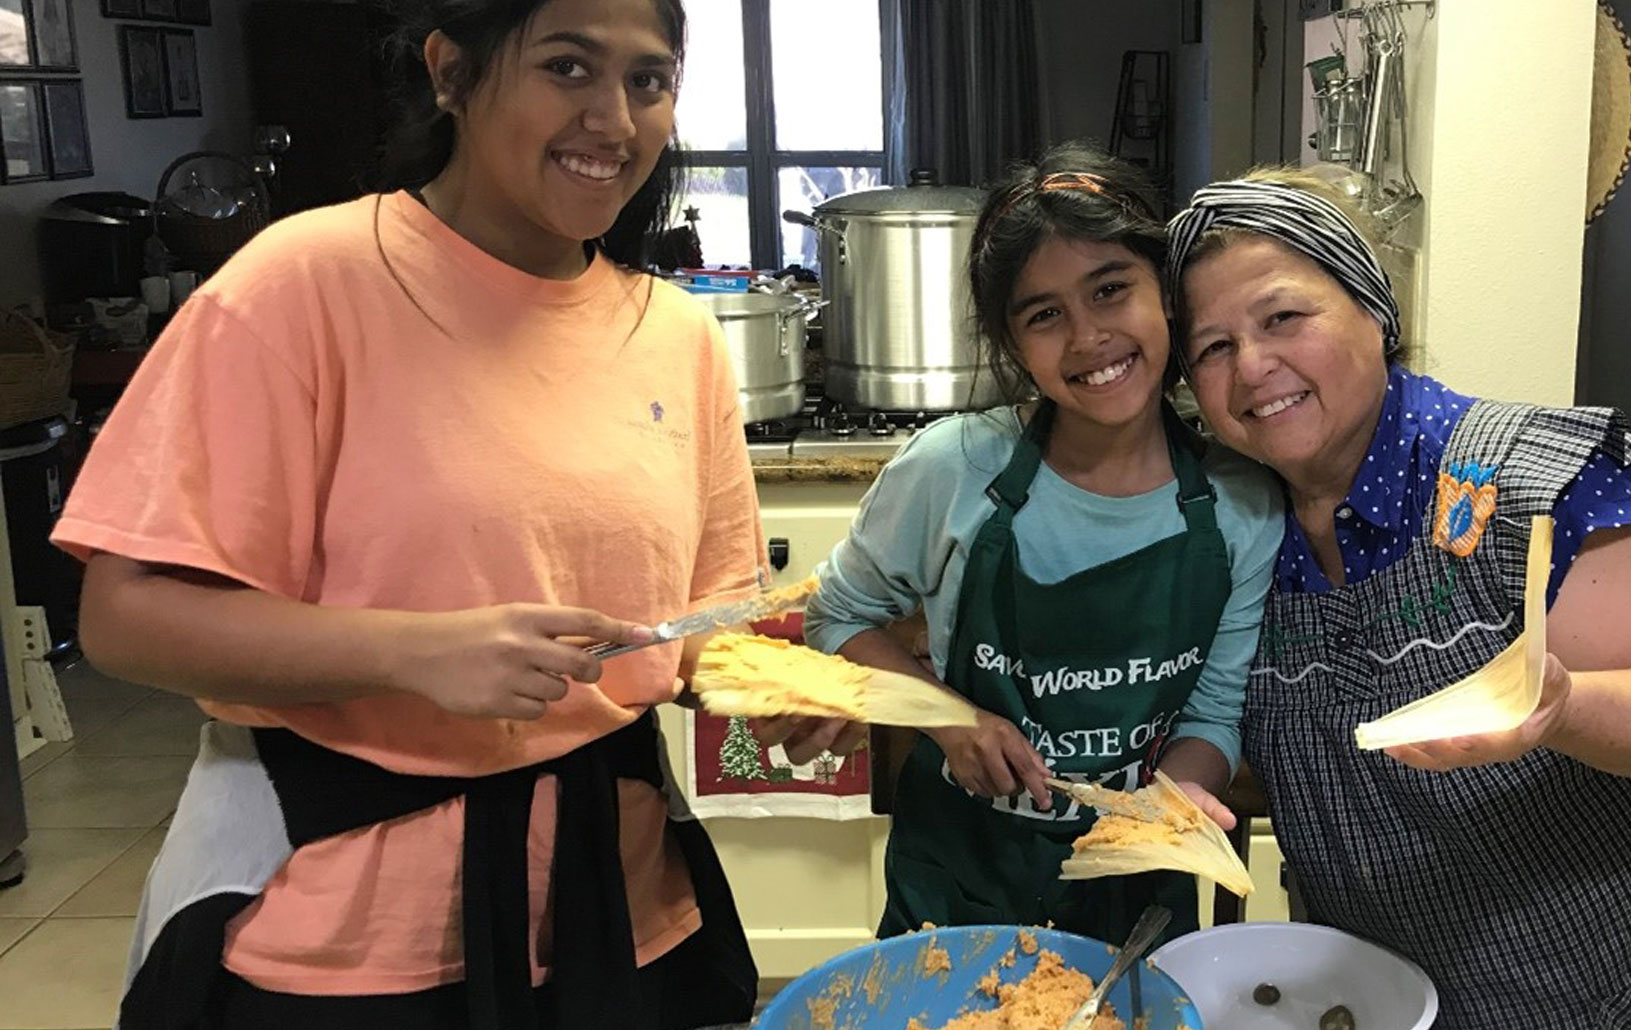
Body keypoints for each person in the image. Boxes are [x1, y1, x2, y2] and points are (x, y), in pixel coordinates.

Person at [53, 0, 766, 1025]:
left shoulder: (676, 336)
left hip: (618, 911)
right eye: (567, 67)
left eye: (647, 81)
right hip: (344, 935)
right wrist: (411, 651)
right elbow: (125, 615)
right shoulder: (302, 285)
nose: (613, 119)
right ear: (450, 72)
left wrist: (773, 704)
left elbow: (707, 628)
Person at [1165, 171, 1631, 1029]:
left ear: (1373, 307)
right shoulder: (1236, 532)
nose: (1252, 366)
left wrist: (1563, 707)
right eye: (1212, 348)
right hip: (1443, 990)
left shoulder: (1524, 481)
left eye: (1282, 318)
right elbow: (1299, 752)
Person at [794, 142, 1282, 947]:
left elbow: (1213, 711)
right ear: (1012, 342)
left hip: (1137, 892)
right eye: (1044, 314)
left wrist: (1173, 804)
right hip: (960, 886)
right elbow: (837, 618)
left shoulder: (1239, 502)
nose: (1088, 336)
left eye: (1111, 290)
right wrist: (946, 718)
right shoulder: (953, 468)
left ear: (1165, 296)